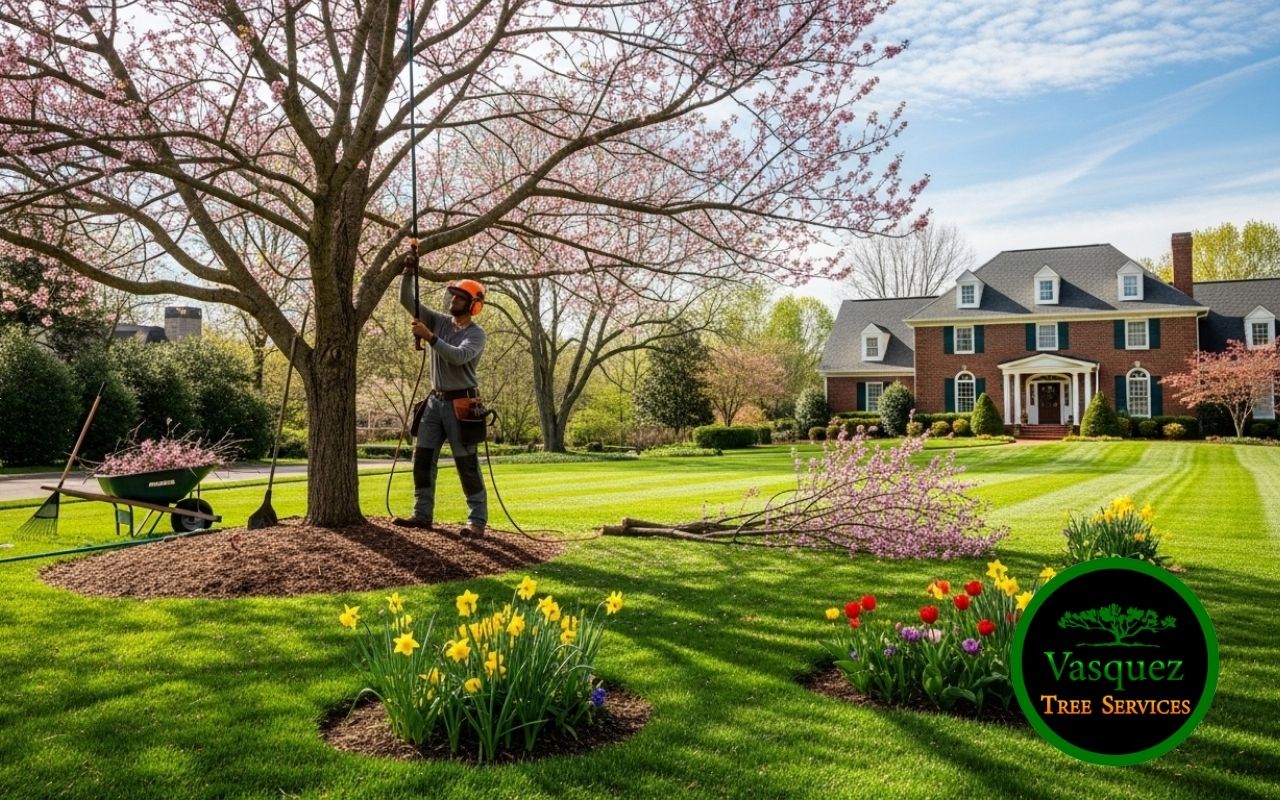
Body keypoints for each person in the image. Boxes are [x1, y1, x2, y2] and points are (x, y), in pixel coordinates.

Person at [394, 247, 488, 536]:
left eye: (461, 298)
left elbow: (458, 357)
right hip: (434, 403)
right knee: (422, 458)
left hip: (462, 403)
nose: (454, 300)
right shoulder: (438, 320)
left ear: (473, 305)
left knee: (466, 463)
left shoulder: (476, 334)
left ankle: (477, 521)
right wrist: (409, 272)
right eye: (454, 295)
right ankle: (422, 515)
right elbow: (406, 299)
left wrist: (429, 337)